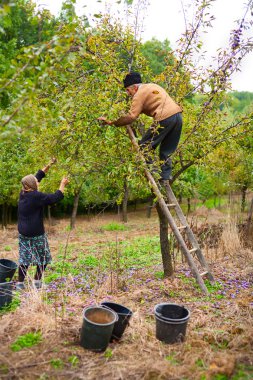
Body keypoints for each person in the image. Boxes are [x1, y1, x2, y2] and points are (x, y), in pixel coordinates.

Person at [98, 71, 182, 182]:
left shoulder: (139, 94)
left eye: (128, 90)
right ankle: (166, 176)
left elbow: (132, 116)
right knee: (166, 150)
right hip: (178, 116)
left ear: (135, 87)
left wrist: (111, 122)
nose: (128, 93)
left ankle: (154, 173)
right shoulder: (153, 86)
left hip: (164, 118)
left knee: (144, 146)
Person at [16, 158, 69, 290]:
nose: (37, 182)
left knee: (24, 259)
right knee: (44, 258)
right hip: (36, 234)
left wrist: (48, 165)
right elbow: (55, 198)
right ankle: (37, 282)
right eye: (36, 182)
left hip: (23, 233)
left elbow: (36, 177)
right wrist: (62, 184)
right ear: (32, 186)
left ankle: (20, 284)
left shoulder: (23, 193)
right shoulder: (36, 196)